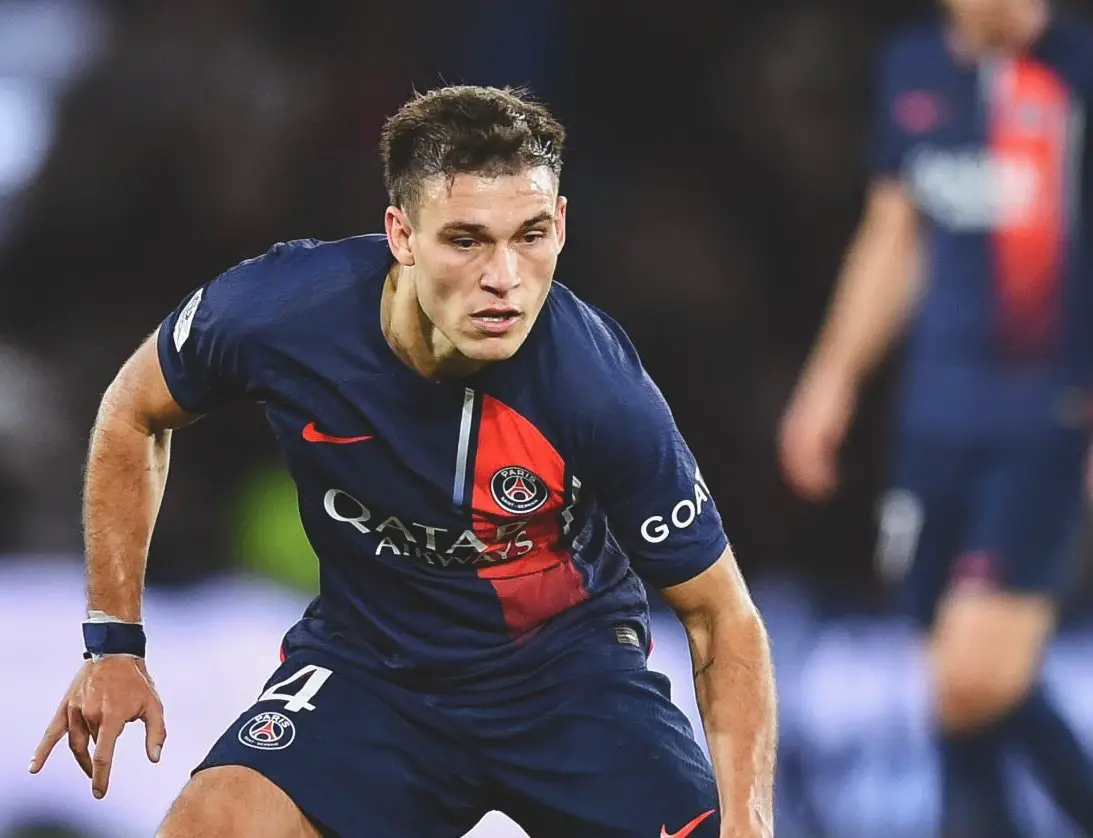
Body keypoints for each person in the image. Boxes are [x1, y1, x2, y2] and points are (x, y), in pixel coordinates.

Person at [29, 85, 776, 838]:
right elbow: (133, 411)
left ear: (560, 223)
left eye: (530, 235)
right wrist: (113, 642)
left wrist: (748, 824)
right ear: (402, 233)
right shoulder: (281, 311)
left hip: (570, 685)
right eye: (466, 240)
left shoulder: (598, 389)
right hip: (373, 676)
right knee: (210, 827)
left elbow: (722, 617)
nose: (504, 277)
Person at [779, 2, 1093, 835]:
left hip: (1044, 420)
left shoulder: (1075, 70)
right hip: (931, 423)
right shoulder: (912, 69)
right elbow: (892, 234)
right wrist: (831, 379)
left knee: (973, 677)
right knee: (953, 696)